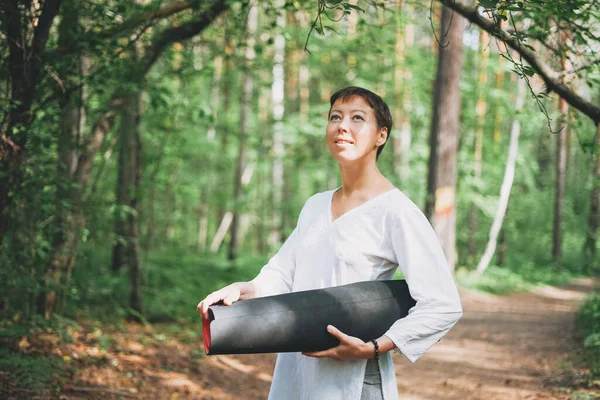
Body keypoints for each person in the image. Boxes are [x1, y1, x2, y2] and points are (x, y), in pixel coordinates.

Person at [197, 86, 463, 400]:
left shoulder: (396, 212)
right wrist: (244, 288)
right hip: (297, 365)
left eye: (357, 118)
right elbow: (283, 275)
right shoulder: (315, 205)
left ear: (381, 135)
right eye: (335, 117)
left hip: (354, 377)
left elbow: (442, 304)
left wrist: (373, 347)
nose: (342, 126)